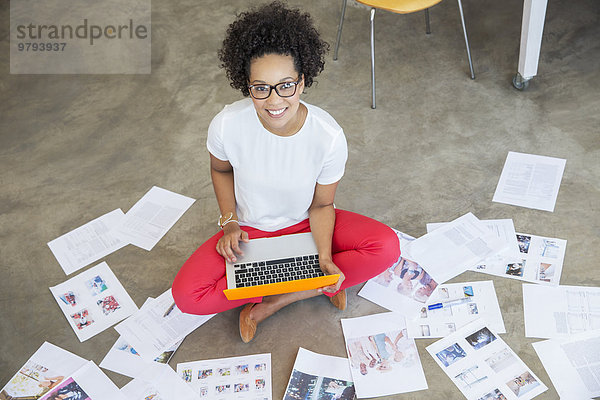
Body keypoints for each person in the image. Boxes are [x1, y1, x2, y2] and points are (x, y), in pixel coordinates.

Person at [171, 1, 400, 343]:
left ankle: (278, 300)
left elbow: (323, 206)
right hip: (251, 231)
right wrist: (229, 222)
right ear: (246, 84)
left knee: (386, 247)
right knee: (187, 296)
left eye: (286, 85)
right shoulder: (226, 125)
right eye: (260, 87)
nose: (274, 100)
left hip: (306, 223)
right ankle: (317, 286)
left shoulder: (328, 136)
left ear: (303, 80)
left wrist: (324, 258)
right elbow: (220, 170)